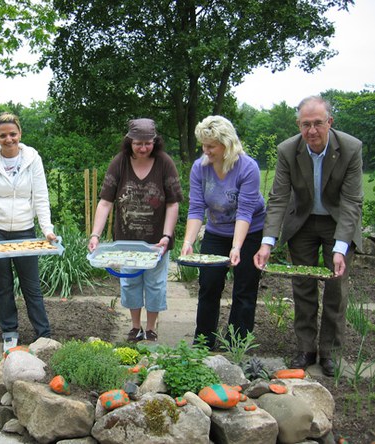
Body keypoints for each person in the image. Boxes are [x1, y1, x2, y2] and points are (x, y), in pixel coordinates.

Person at [254, 96, 363, 376]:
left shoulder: (350, 148)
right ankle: (305, 348)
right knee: (303, 286)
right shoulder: (288, 150)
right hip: (301, 222)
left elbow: (352, 201)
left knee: (336, 289)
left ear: (330, 122)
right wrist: (268, 242)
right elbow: (278, 198)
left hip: (337, 222)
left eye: (317, 123)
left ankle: (330, 353)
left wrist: (341, 247)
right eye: (306, 124)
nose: (312, 130)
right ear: (298, 125)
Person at [88, 118, 182, 343]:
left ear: (155, 141)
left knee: (155, 284)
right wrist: (95, 235)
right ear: (129, 141)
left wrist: (167, 236)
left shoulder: (164, 163)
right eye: (138, 143)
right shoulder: (119, 163)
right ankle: (135, 327)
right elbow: (105, 202)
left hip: (156, 242)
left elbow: (173, 203)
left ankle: (151, 328)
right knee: (129, 282)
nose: (143, 148)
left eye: (148, 143)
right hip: (126, 240)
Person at [181, 115, 266, 349]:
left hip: (250, 231)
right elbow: (197, 208)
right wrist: (188, 241)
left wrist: (236, 247)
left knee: (244, 288)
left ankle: (236, 344)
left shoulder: (247, 168)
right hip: (216, 230)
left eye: (211, 146)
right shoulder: (200, 168)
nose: (205, 151)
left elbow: (245, 212)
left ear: (227, 145)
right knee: (209, 284)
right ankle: (203, 341)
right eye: (203, 145)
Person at [0, 112, 57, 352]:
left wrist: (47, 230)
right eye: (3, 135)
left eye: (13, 134)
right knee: (3, 285)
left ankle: (43, 334)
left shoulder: (33, 159)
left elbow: (41, 196)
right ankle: (9, 332)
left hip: (25, 231)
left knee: (32, 286)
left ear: (20, 134)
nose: (8, 139)